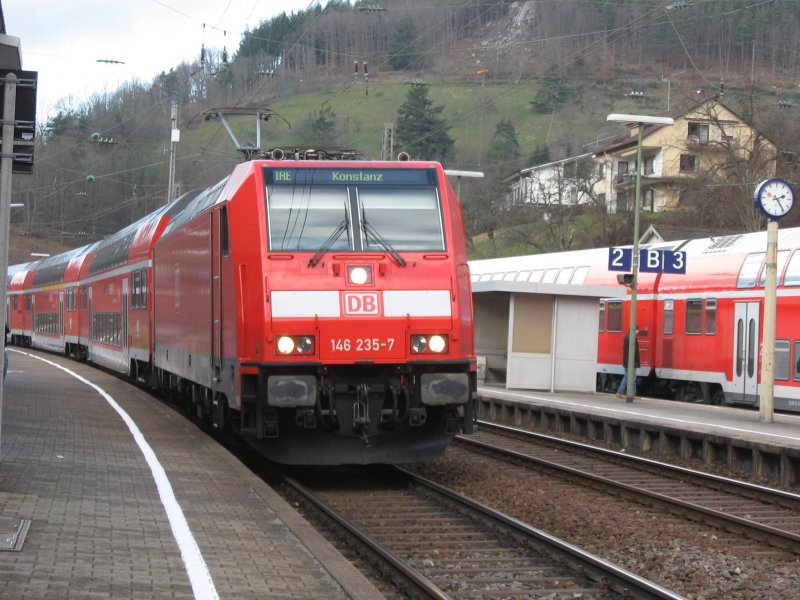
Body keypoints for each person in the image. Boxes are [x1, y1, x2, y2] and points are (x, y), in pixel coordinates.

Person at [616, 326, 640, 399]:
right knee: (632, 377)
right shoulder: (632, 338)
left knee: (627, 377)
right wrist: (636, 361)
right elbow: (635, 351)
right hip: (631, 362)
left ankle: (621, 392)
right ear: (634, 330)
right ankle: (631, 394)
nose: (638, 332)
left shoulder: (626, 337)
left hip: (627, 361)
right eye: (637, 331)